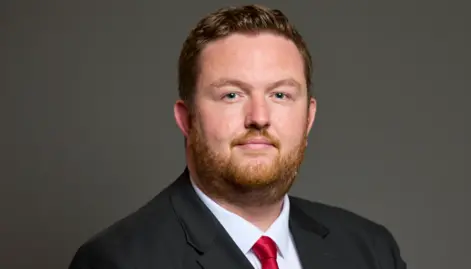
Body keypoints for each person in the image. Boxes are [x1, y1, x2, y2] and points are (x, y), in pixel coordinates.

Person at [69, 4, 406, 269]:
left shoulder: (371, 250)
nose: (259, 118)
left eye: (280, 95)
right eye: (232, 95)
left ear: (308, 117)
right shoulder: (119, 261)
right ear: (187, 120)